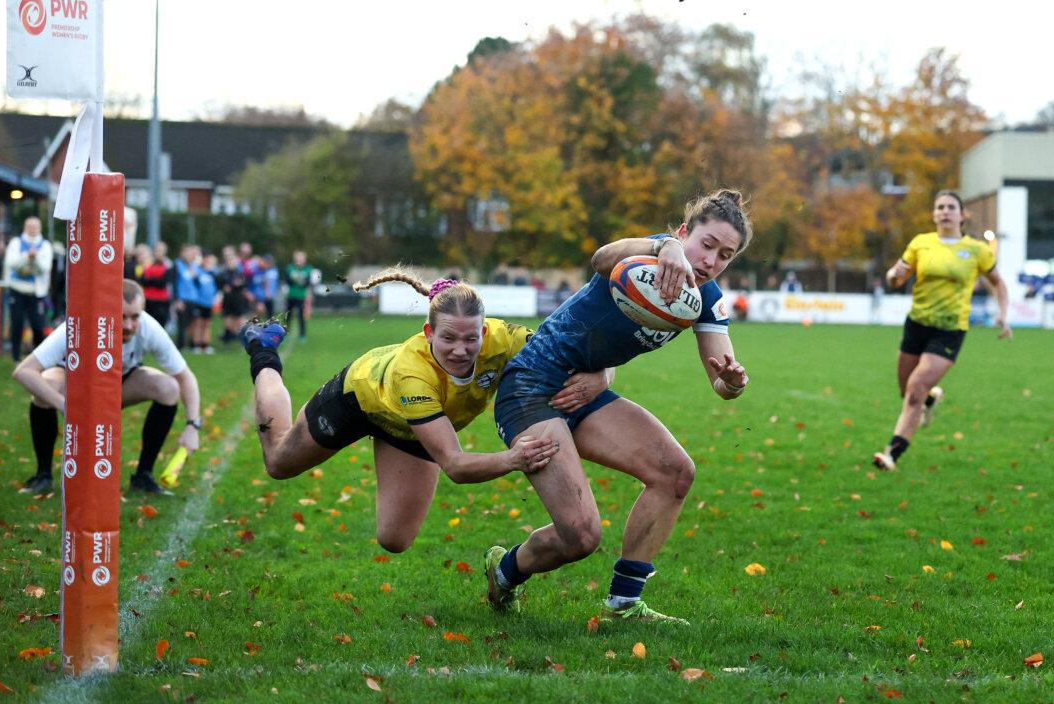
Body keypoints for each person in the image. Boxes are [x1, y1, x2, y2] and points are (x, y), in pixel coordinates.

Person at [486, 189, 752, 623]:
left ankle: (624, 602)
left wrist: (732, 382)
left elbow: (721, 382)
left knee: (675, 472)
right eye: (706, 244)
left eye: (725, 254)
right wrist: (661, 245)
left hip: (587, 397)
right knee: (582, 536)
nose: (711, 261)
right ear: (684, 233)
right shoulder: (642, 257)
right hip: (532, 388)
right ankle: (504, 568)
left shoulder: (706, 298)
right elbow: (600, 258)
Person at [239, 268, 611, 554]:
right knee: (277, 462)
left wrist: (602, 376)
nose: (461, 350)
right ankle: (264, 350)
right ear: (428, 332)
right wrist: (513, 459)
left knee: (394, 540)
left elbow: (582, 347)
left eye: (471, 338)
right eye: (448, 338)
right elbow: (455, 465)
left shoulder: (505, 339)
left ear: (484, 331)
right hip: (360, 398)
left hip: (411, 428)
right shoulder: (411, 373)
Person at [12, 279, 203, 496]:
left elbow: (186, 378)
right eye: (122, 317)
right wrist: (66, 406)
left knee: (168, 387)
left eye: (135, 317)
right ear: (106, 309)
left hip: (119, 384)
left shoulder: (149, 327)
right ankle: (43, 474)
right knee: (45, 385)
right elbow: (23, 371)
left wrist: (192, 426)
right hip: (74, 384)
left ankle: (143, 476)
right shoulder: (78, 324)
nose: (129, 325)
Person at [872, 190, 1012, 471]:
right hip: (917, 325)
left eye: (951, 207)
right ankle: (932, 397)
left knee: (914, 391)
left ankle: (892, 454)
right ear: (934, 214)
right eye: (940, 207)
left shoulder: (977, 250)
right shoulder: (921, 243)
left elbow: (998, 283)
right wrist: (892, 275)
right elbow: (895, 278)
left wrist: (1003, 315)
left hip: (949, 330)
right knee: (906, 389)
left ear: (962, 214)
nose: (945, 211)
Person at [3, 216, 54, 361]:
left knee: (38, 326)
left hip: (36, 293)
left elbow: (45, 268)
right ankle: (16, 358)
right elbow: (11, 263)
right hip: (17, 290)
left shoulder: (45, 246)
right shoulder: (16, 242)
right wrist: (27, 257)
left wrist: (35, 258)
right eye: (29, 226)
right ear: (25, 227)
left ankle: (39, 359)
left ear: (40, 228)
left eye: (35, 226)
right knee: (17, 324)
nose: (32, 229)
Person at [284, 250, 314, 341]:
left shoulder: (308, 269)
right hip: (291, 295)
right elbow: (289, 281)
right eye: (298, 257)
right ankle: (285, 333)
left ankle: (302, 335)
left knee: (302, 316)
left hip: (302, 296)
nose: (299, 259)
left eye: (301, 258)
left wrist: (298, 278)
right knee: (288, 315)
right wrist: (296, 278)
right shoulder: (290, 268)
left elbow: (306, 283)